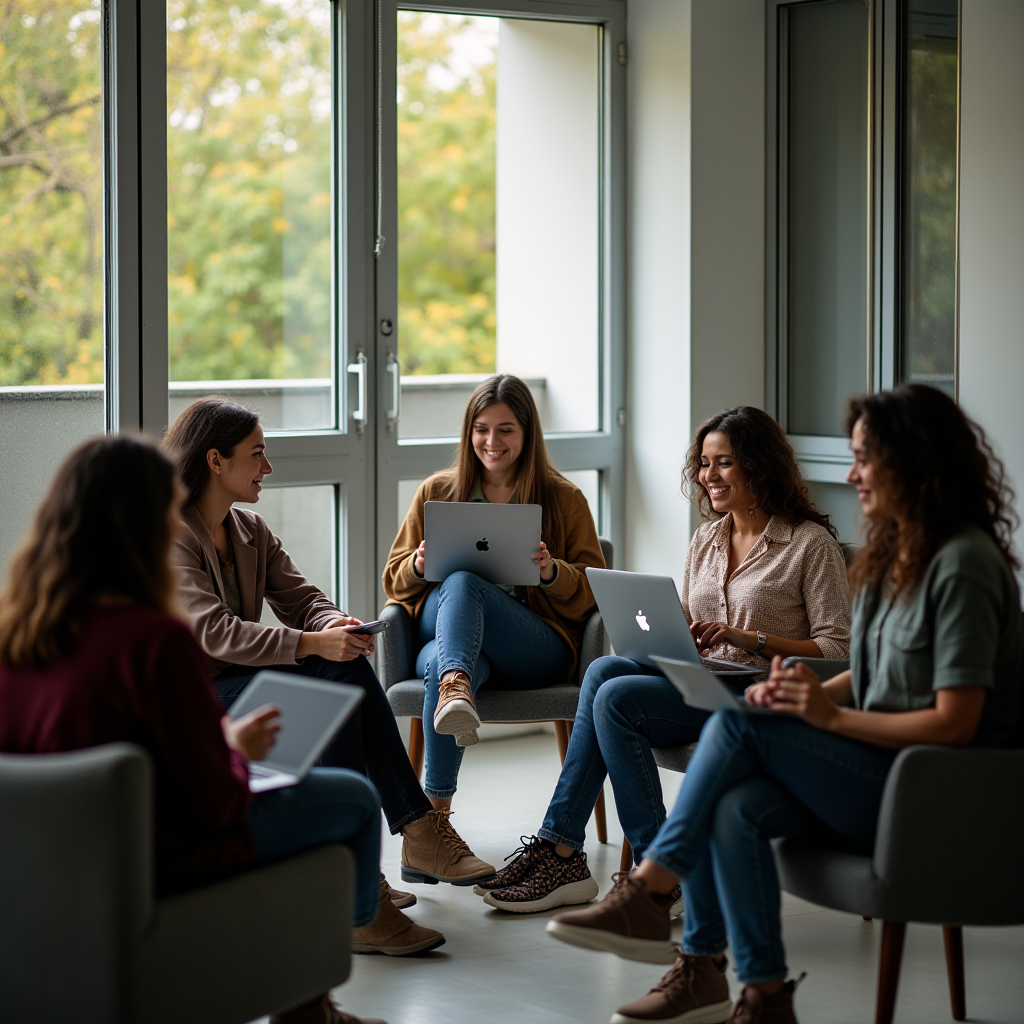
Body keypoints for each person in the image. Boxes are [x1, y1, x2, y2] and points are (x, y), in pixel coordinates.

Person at [545, 385, 1024, 1024]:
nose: (851, 473)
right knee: (733, 806)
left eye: (866, 458)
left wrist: (826, 716)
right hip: (876, 765)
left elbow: (955, 723)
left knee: (739, 729)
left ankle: (651, 889)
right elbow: (868, 672)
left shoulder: (962, 565)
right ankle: (750, 989)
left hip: (932, 790)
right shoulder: (896, 555)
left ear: (917, 460)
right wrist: (806, 698)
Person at [0, 435, 387, 1024]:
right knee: (353, 802)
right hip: (161, 851)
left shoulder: (13, 635)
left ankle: (311, 1006)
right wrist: (235, 751)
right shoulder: (153, 641)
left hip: (42, 862)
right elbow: (216, 800)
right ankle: (347, 945)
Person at [480, 406, 852, 914]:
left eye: (724, 463)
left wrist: (751, 638)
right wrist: (668, 625)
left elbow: (836, 652)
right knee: (603, 671)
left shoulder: (810, 545)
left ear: (758, 466)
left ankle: (647, 870)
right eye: (704, 463)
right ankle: (568, 849)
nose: (709, 476)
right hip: (702, 679)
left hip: (760, 692)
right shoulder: (707, 538)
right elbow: (691, 614)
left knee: (618, 697)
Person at [163, 397, 494, 955]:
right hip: (200, 704)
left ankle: (361, 882)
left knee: (341, 663)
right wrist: (314, 642)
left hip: (242, 686)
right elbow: (214, 634)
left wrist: (333, 624)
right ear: (215, 460)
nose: (267, 468)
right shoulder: (171, 535)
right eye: (257, 455)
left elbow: (303, 600)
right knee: (331, 665)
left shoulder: (248, 530)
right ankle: (402, 844)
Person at [383, 374, 606, 848]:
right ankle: (436, 826)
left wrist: (551, 572)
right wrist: (419, 565)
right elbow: (392, 578)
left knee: (462, 594)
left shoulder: (563, 498)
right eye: (481, 428)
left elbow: (593, 588)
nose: (492, 441)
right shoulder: (436, 491)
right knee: (453, 622)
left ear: (527, 433)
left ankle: (451, 689)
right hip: (448, 638)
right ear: (469, 433)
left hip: (532, 645)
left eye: (505, 429)